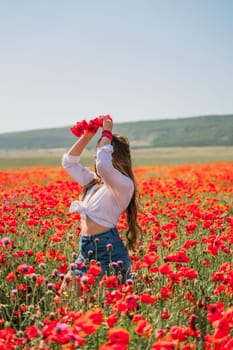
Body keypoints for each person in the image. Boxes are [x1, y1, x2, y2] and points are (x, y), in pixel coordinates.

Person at [61, 115, 140, 288]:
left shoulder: (124, 186)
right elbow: (69, 163)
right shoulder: (94, 182)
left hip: (109, 254)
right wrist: (87, 136)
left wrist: (107, 132)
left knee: (111, 308)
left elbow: (104, 166)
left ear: (114, 156)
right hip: (86, 250)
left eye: (101, 151)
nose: (97, 158)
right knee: (65, 301)